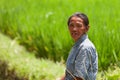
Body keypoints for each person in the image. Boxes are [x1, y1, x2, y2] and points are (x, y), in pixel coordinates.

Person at [60, 12, 98, 80]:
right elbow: (70, 74)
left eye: (79, 26)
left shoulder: (85, 48)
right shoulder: (78, 45)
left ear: (87, 28)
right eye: (71, 25)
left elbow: (79, 78)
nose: (74, 29)